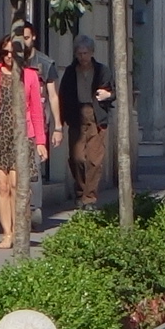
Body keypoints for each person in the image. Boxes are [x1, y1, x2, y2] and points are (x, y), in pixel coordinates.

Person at [0, 30, 50, 251]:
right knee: (2, 185)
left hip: (22, 134)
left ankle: (20, 230)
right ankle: (7, 233)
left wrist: (40, 141)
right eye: (5, 52)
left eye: (13, 53)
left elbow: (37, 110)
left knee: (20, 185)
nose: (9, 57)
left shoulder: (29, 75)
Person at [58, 35, 115, 209]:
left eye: (86, 53)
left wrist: (109, 95)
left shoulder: (102, 70)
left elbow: (113, 91)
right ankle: (80, 191)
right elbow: (63, 97)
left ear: (92, 53)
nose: (83, 57)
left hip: (96, 117)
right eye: (80, 53)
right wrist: (61, 121)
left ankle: (89, 198)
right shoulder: (70, 72)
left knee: (94, 160)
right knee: (77, 158)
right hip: (76, 117)